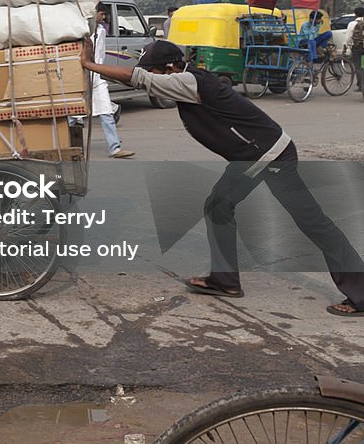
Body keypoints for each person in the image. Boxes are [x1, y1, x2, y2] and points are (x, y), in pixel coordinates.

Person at [80, 38, 364, 316]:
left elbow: (137, 78)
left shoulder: (190, 81)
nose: (155, 80)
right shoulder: (188, 82)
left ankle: (361, 294)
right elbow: (140, 77)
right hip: (254, 155)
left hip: (268, 155)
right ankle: (225, 281)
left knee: (312, 222)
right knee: (218, 206)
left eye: (155, 73)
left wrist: (90, 64)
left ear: (169, 68)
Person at [92, 3, 133, 158]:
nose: (103, 17)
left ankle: (114, 148)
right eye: (101, 14)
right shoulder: (80, 31)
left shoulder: (101, 31)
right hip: (82, 78)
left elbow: (100, 55)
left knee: (106, 112)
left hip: (96, 77)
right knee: (73, 117)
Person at [348, 7, 364, 92]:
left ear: (355, 14)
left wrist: (347, 47)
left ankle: (360, 86)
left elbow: (348, 38)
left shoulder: (352, 24)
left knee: (358, 67)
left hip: (357, 47)